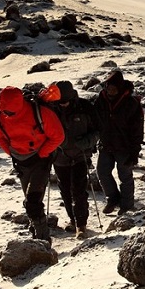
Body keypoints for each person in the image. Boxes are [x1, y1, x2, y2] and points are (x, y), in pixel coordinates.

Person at [0, 86, 65, 244]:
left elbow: (58, 136)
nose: (6, 113)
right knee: (30, 200)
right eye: (4, 109)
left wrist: (43, 153)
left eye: (9, 110)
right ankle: (37, 230)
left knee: (32, 201)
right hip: (21, 162)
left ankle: (43, 239)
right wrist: (12, 153)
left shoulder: (40, 112)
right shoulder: (1, 116)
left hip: (40, 160)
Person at [45, 80, 99, 239]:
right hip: (59, 157)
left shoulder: (85, 107)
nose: (63, 105)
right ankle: (72, 220)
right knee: (66, 190)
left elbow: (98, 130)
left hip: (80, 155)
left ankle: (81, 225)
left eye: (65, 102)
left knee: (79, 190)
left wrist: (87, 142)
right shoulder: (50, 108)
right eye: (60, 102)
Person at [93, 70, 144, 215]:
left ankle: (126, 205)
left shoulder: (131, 103)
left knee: (125, 176)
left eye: (114, 89)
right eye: (109, 88)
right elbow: (95, 121)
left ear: (120, 87)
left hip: (125, 147)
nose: (111, 91)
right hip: (106, 145)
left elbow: (137, 130)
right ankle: (113, 199)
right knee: (102, 173)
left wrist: (134, 152)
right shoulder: (101, 100)